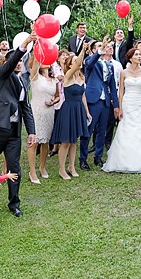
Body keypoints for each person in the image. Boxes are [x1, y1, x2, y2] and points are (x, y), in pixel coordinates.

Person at [0, 33, 37, 217]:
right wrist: (26, 43)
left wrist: (31, 131)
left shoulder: (23, 81)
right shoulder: (2, 75)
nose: (20, 62)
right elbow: (14, 57)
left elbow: (26, 107)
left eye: (22, 60)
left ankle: (14, 203)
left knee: (14, 167)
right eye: (17, 60)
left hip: (14, 131)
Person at [51, 45, 91, 179]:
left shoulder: (81, 77)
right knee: (66, 141)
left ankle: (71, 166)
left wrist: (87, 112)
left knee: (74, 141)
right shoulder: (67, 76)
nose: (77, 63)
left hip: (78, 108)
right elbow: (79, 62)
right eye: (74, 61)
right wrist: (83, 50)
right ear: (70, 65)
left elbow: (83, 96)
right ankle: (62, 169)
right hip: (68, 109)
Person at [81, 37, 120, 170]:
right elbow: (90, 63)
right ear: (93, 50)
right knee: (89, 130)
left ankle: (98, 157)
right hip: (93, 100)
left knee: (102, 131)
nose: (103, 47)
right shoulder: (89, 61)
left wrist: (116, 105)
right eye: (98, 46)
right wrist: (99, 51)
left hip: (105, 102)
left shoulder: (110, 65)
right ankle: (83, 159)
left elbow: (113, 86)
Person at [27, 49, 58, 184]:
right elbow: (34, 64)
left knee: (45, 142)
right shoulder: (35, 77)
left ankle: (42, 167)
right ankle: (32, 171)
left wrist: (53, 101)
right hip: (36, 110)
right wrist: (38, 49)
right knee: (34, 141)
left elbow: (57, 96)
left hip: (49, 112)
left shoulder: (54, 79)